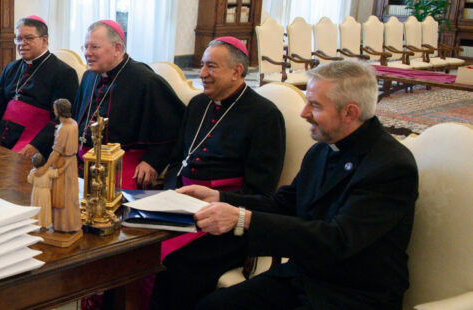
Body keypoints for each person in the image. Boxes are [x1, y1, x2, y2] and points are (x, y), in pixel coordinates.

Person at [165, 60, 418, 309]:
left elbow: (338, 240)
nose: (303, 112)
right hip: (304, 276)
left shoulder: (390, 166)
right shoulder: (322, 149)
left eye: (315, 105)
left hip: (353, 293)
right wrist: (221, 199)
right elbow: (284, 203)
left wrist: (244, 219)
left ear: (350, 113)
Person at [150, 37, 286, 308]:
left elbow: (261, 191)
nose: (202, 74)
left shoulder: (265, 116)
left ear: (237, 71)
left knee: (174, 266)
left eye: (211, 67)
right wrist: (170, 195)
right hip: (181, 207)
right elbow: (178, 160)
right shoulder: (198, 105)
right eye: (202, 65)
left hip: (225, 220)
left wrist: (219, 201)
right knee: (134, 249)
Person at [59, 20, 185, 190]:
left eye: (94, 47)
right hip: (81, 160)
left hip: (122, 164)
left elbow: (174, 129)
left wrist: (153, 162)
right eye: (85, 47)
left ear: (118, 48)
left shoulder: (145, 81)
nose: (87, 53)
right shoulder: (90, 76)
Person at [0, 15, 79, 158]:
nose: (22, 43)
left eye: (28, 38)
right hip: (2, 135)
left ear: (44, 40)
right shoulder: (11, 68)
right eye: (19, 39)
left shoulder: (64, 73)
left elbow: (62, 120)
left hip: (36, 142)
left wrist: (36, 145)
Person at [45, 99, 81, 232]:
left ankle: (62, 226)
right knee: (71, 196)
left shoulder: (63, 128)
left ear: (58, 111)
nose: (54, 111)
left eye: (55, 109)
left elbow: (56, 151)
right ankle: (73, 224)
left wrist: (46, 166)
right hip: (72, 162)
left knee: (62, 197)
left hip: (62, 163)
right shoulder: (74, 123)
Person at [27, 153, 57, 228]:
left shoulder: (33, 171)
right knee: (44, 207)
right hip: (44, 192)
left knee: (36, 205)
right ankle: (43, 222)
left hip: (36, 191)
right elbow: (56, 173)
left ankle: (36, 221)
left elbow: (30, 180)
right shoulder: (48, 171)